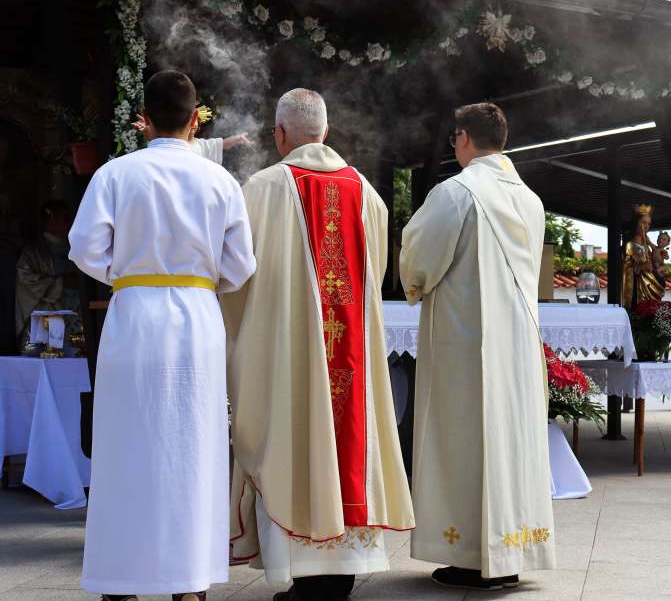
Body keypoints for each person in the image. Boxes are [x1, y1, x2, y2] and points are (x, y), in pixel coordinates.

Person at [69, 70, 257, 600]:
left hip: (133, 317)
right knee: (192, 447)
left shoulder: (115, 173)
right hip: (197, 317)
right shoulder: (220, 181)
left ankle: (119, 580)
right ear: (197, 121)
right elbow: (241, 266)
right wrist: (196, 280)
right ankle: (190, 582)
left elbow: (84, 248)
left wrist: (129, 273)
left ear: (144, 120)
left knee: (125, 443)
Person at [221, 89, 414, 601]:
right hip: (350, 353)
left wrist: (241, 335)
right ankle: (342, 569)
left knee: (289, 438)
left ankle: (299, 569)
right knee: (346, 443)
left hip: (289, 358)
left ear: (280, 134)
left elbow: (235, 282)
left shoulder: (261, 188)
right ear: (325, 133)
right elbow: (374, 281)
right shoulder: (368, 195)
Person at [400, 103, 555, 590]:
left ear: (464, 138)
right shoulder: (529, 199)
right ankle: (511, 550)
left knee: (466, 440)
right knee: (510, 439)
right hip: (517, 346)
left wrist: (413, 282)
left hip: (466, 343)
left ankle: (471, 554)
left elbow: (419, 256)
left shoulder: (456, 191)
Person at [15, 200, 82, 350]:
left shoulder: (76, 248)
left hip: (75, 315)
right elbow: (27, 282)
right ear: (52, 219)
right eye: (66, 218)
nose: (69, 223)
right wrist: (61, 283)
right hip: (47, 316)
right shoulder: (34, 252)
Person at [133, 112, 253, 164]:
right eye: (192, 122)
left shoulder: (201, 145)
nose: (194, 126)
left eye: (197, 124)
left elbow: (223, 144)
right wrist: (151, 129)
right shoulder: (172, 143)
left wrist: (238, 138)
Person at [621, 204, 665, 311]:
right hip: (638, 290)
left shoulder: (647, 245)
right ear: (636, 223)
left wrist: (659, 264)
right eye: (643, 223)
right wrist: (640, 267)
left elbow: (654, 263)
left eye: (648, 224)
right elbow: (625, 267)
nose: (646, 227)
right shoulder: (629, 245)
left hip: (650, 283)